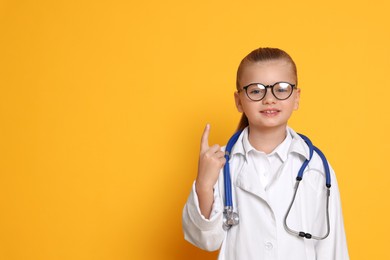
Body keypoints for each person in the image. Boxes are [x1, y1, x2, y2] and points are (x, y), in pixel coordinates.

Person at [182, 47, 349, 259]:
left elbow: (333, 249)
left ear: (296, 97)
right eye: (256, 90)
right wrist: (204, 184)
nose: (269, 98)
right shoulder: (221, 164)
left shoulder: (315, 167)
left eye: (281, 89)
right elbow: (204, 240)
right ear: (239, 100)